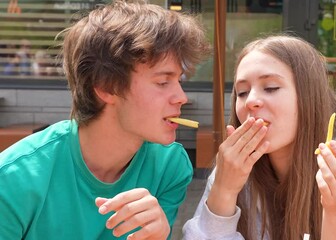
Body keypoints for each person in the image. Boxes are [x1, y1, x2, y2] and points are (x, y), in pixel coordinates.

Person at [0, 0, 210, 239]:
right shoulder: (13, 178)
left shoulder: (169, 166)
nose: (181, 97)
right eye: (163, 82)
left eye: (179, 81)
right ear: (106, 88)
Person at [183, 35, 336, 240]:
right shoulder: (232, 169)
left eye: (271, 88)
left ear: (309, 97)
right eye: (242, 92)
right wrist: (224, 191)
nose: (251, 101)